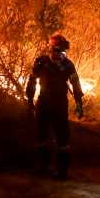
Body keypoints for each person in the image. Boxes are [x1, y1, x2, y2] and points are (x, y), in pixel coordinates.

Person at [26, 33, 84, 180]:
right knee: (41, 137)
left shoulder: (68, 65)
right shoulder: (41, 62)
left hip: (59, 104)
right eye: (57, 50)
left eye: (62, 51)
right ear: (52, 48)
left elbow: (75, 83)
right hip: (43, 103)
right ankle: (42, 167)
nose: (60, 54)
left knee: (62, 139)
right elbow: (32, 80)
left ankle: (62, 171)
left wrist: (79, 102)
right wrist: (29, 98)